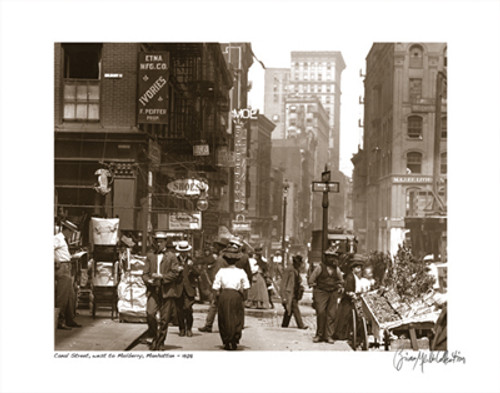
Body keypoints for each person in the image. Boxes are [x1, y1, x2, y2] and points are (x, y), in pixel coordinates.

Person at [142, 233, 183, 350]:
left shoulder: (171, 256)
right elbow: (144, 273)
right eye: (157, 241)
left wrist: (162, 277)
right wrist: (148, 280)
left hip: (167, 290)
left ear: (165, 242)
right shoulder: (150, 256)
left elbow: (175, 273)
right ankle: (155, 335)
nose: (159, 243)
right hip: (154, 289)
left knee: (164, 320)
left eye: (161, 241)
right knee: (150, 313)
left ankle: (160, 342)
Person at [212, 243, 250, 350]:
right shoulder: (241, 272)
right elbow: (246, 286)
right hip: (236, 295)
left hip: (224, 295)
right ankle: (234, 340)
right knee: (237, 318)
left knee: (224, 318)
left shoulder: (221, 271)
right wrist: (244, 298)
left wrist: (217, 298)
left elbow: (215, 287)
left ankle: (226, 340)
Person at [307, 247, 344, 344]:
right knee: (321, 312)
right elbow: (311, 280)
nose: (332, 259)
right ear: (326, 258)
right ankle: (319, 335)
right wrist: (316, 287)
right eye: (330, 257)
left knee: (331, 314)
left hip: (333, 293)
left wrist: (339, 287)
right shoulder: (320, 267)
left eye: (334, 257)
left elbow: (341, 281)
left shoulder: (337, 269)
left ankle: (329, 336)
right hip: (321, 292)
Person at [198, 238, 229, 333]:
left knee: (215, 305)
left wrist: (215, 286)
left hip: (221, 286)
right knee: (216, 305)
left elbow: (218, 273)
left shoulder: (220, 259)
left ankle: (210, 325)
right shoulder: (226, 257)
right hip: (225, 285)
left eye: (217, 246)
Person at [54, 226, 81, 329]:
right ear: (66, 230)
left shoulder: (63, 240)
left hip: (67, 266)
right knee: (63, 295)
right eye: (71, 232)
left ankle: (69, 319)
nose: (71, 235)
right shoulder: (57, 238)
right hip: (62, 267)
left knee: (70, 295)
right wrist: (55, 259)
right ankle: (59, 321)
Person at [334, 254, 365, 341]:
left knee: (346, 318)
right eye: (357, 268)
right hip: (347, 301)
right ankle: (341, 334)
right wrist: (353, 295)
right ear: (353, 268)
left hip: (348, 300)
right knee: (345, 317)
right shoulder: (350, 277)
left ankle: (345, 334)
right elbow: (348, 290)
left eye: (360, 268)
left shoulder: (353, 276)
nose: (359, 270)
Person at [176, 241, 199, 337]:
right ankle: (182, 328)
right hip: (178, 288)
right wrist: (176, 271)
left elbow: (198, 273)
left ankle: (189, 328)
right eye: (182, 251)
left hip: (189, 289)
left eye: (185, 251)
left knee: (188, 309)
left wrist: (192, 267)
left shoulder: (192, 260)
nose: (183, 253)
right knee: (179, 310)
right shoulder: (175, 260)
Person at [280, 255, 308, 329]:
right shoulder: (289, 270)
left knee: (289, 309)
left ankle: (284, 324)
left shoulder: (296, 270)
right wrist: (283, 296)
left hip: (295, 292)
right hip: (289, 293)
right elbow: (283, 283)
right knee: (294, 308)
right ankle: (301, 325)